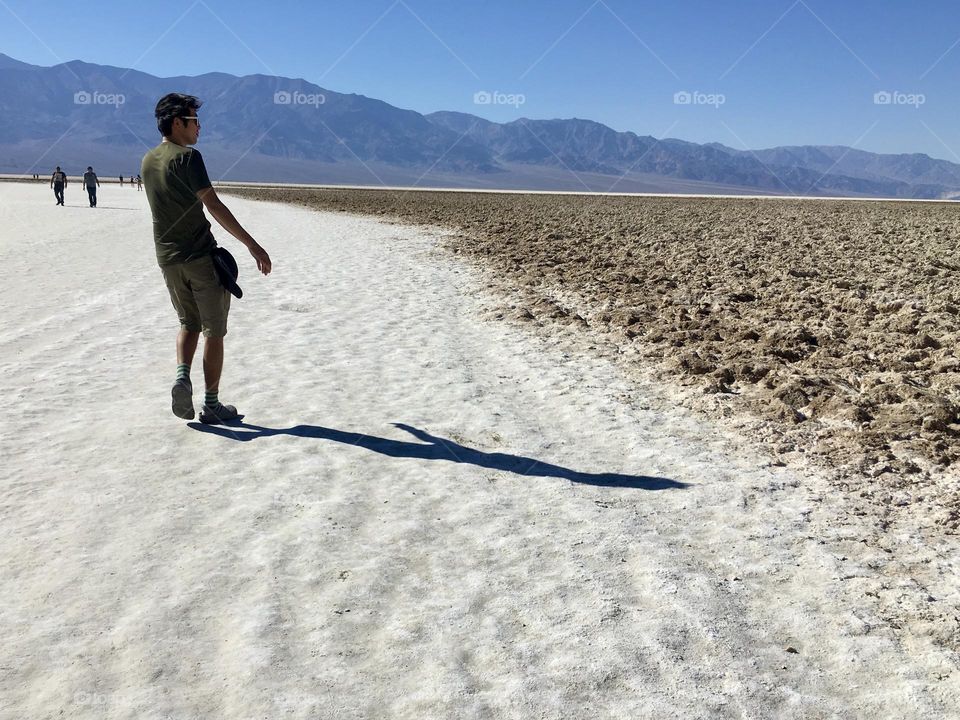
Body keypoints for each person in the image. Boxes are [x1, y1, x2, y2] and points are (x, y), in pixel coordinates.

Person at [141, 93, 272, 424]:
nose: (200, 128)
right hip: (200, 257)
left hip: (167, 259)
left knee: (188, 323)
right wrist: (252, 245)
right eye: (195, 121)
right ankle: (211, 404)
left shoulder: (148, 160)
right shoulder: (188, 158)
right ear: (177, 123)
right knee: (214, 330)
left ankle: (182, 377)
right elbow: (213, 205)